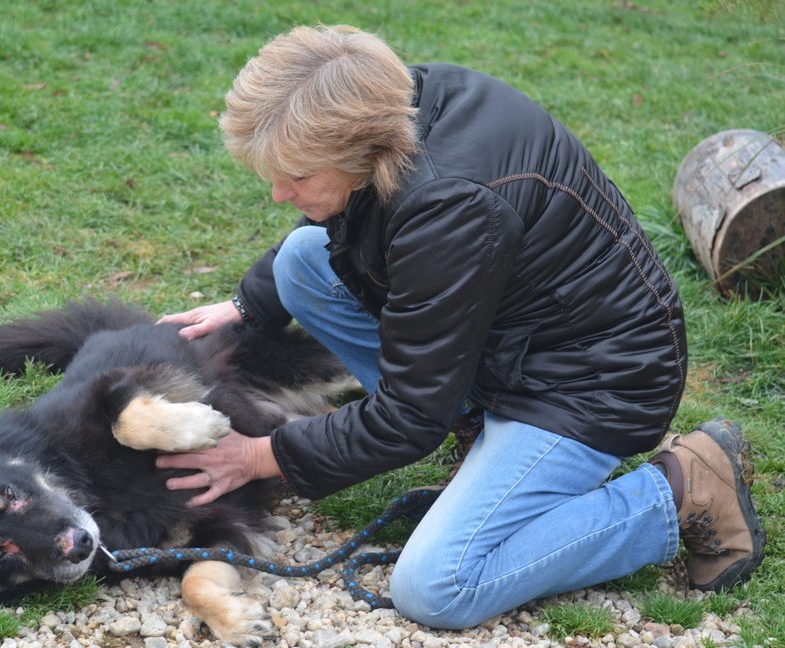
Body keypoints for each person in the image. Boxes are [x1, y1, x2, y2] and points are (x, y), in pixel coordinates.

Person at [155, 24, 766, 629]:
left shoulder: (450, 205)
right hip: (517, 343)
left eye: (297, 177)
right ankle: (480, 428)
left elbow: (408, 418)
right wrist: (250, 305)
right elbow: (343, 229)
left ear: (359, 150)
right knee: (300, 264)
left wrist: (259, 456)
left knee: (437, 586)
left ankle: (678, 491)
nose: (277, 193)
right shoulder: (394, 105)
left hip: (593, 382)